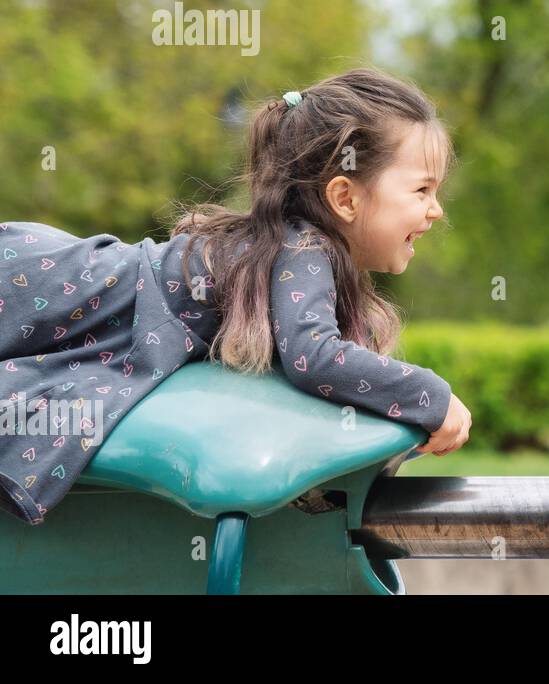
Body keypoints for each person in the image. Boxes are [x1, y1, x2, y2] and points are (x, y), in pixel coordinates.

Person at [0, 67, 472, 525]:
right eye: (422, 189)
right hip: (69, 289)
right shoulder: (306, 248)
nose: (436, 210)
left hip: (86, 293)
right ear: (345, 198)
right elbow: (316, 357)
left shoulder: (293, 247)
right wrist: (432, 396)